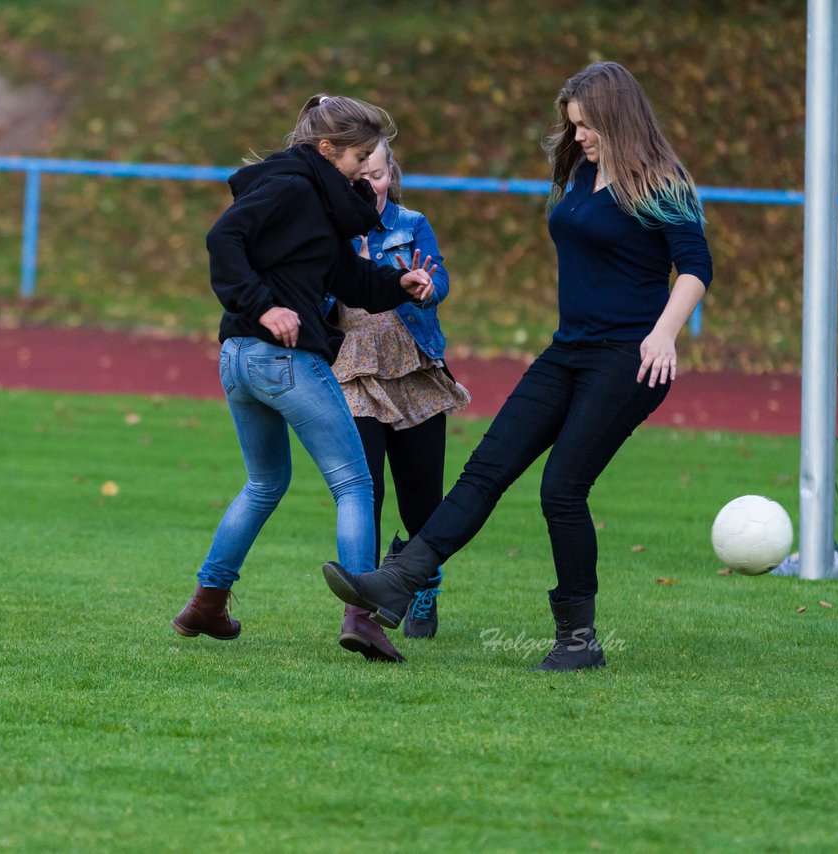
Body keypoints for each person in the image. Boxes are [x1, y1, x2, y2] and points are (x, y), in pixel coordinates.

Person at [322, 61, 713, 670]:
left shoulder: (661, 182)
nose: (578, 136)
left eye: (586, 125)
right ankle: (400, 583)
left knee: (562, 488)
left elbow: (694, 267)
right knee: (486, 468)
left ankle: (578, 640)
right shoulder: (583, 170)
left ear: (617, 117)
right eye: (573, 124)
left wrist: (664, 334)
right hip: (569, 350)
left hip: (629, 358)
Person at [171, 94, 437, 664]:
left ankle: (207, 602)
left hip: (243, 361)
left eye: (374, 156)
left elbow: (350, 280)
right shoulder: (292, 187)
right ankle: (361, 618)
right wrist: (264, 306)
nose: (369, 166)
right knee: (355, 484)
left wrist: (400, 285)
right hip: (276, 356)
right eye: (359, 155)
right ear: (326, 149)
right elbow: (223, 240)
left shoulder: (316, 201)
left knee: (265, 484)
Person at [327, 139, 470, 639]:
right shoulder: (330, 228)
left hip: (413, 368)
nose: (370, 185)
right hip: (353, 372)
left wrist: (432, 289)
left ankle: (422, 580)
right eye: (359, 176)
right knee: (364, 492)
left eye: (379, 174)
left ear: (393, 175)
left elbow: (440, 276)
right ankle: (361, 609)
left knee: (422, 501)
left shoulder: (411, 225)